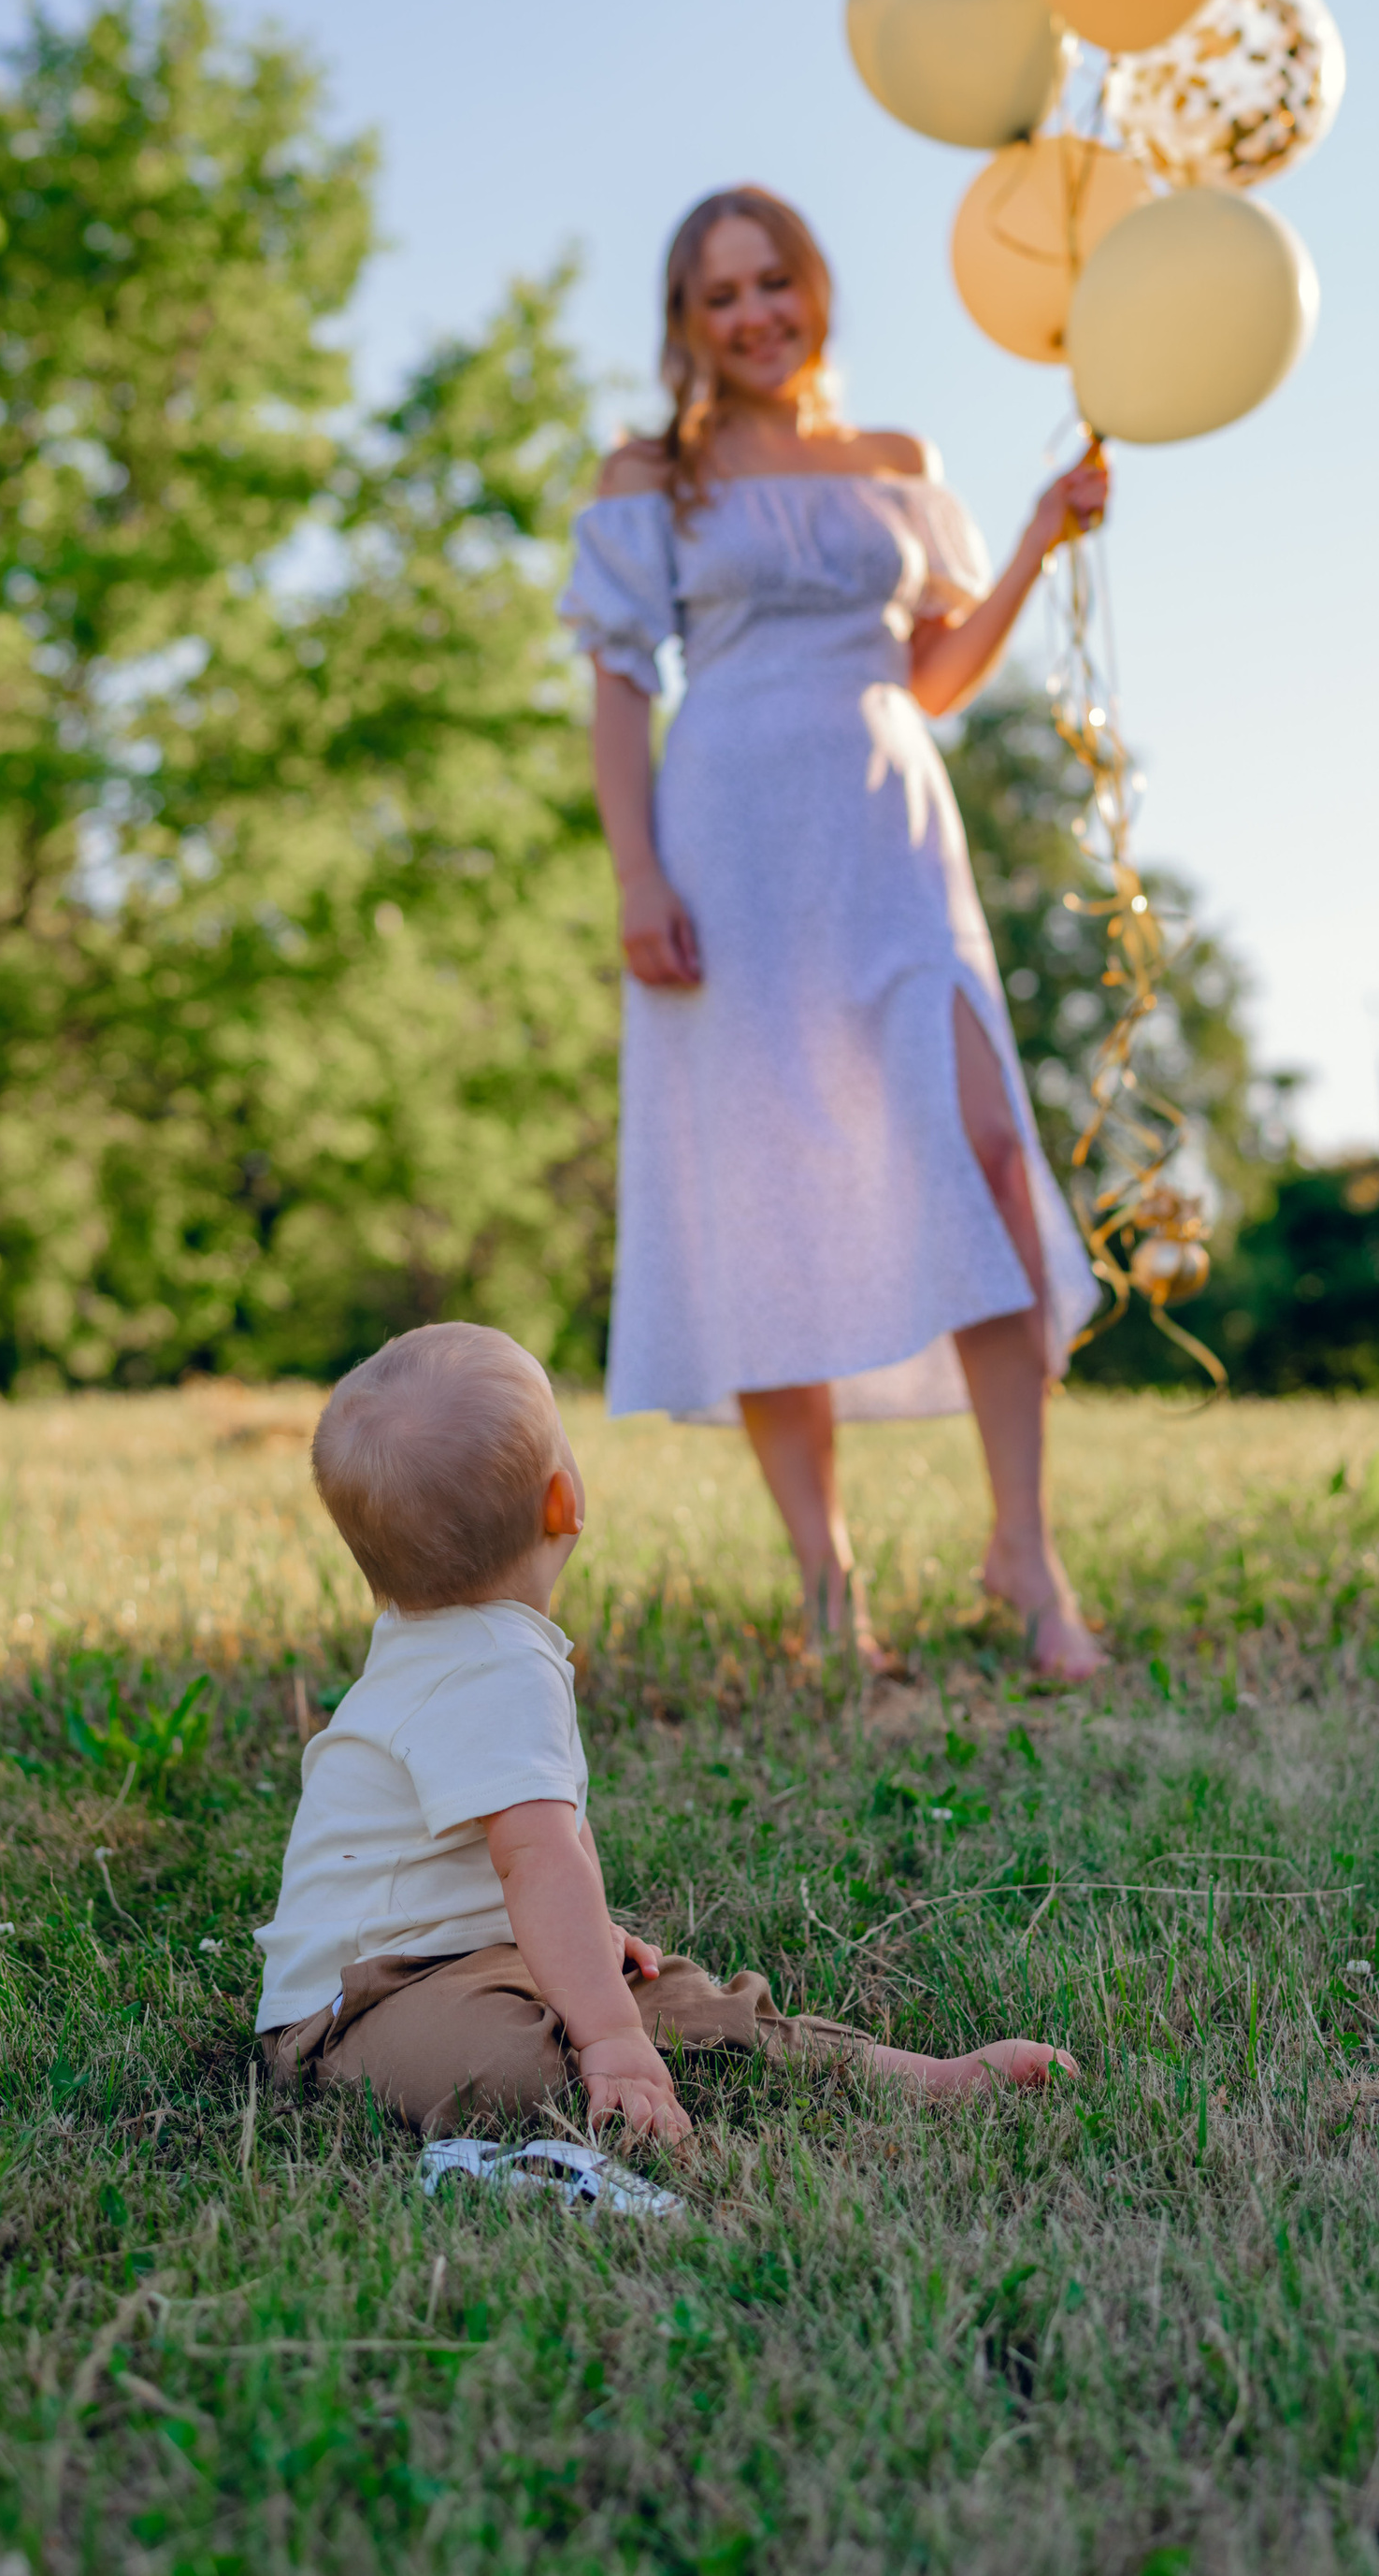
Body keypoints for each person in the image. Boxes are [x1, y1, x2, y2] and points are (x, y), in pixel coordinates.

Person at [559, 185, 1110, 1680]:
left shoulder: (897, 465)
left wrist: (1037, 541)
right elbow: (619, 687)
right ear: (686, 322)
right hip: (728, 843)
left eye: (774, 283)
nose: (755, 315)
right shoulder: (652, 475)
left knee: (989, 1156)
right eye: (720, 294)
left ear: (816, 291)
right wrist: (637, 879)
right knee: (767, 1200)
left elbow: (931, 678)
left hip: (891, 835)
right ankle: (826, 1583)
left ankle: (1026, 1553)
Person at [254, 1322, 1075, 2142]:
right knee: (514, 2068)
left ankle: (908, 2074)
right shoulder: (495, 1666)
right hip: (357, 2005)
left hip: (484, 1956)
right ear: (564, 1501)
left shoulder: (442, 1636)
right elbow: (535, 1857)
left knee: (675, 1995)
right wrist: (611, 2033)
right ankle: (600, 2054)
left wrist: (587, 1941)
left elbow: (550, 1837)